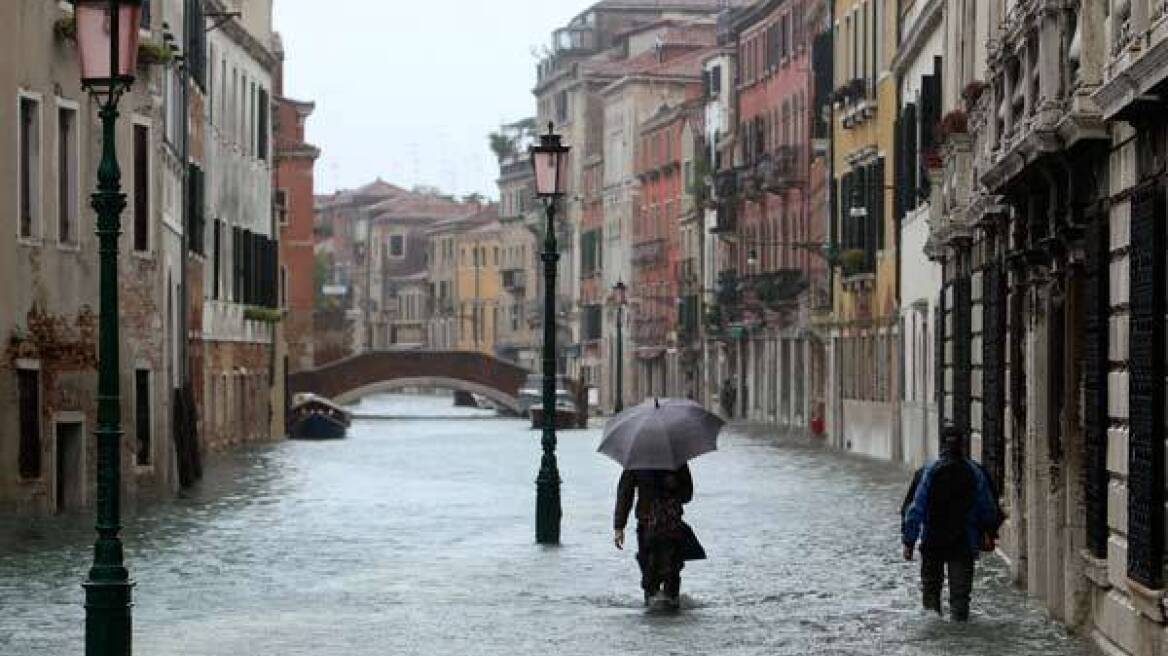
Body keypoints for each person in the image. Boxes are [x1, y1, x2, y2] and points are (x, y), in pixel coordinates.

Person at [902, 426, 1001, 622]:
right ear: (963, 445)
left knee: (931, 600)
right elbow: (988, 507)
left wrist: (909, 542)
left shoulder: (928, 471)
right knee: (960, 602)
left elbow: (915, 509)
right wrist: (989, 533)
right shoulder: (975, 471)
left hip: (933, 542)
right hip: (963, 543)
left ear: (941, 444)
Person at [613, 465, 697, 608]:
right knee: (649, 572)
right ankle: (653, 606)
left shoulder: (676, 462)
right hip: (648, 525)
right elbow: (625, 493)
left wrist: (673, 486)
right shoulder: (637, 462)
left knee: (672, 572)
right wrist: (619, 526)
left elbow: (687, 494)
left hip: (671, 525)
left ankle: (670, 604)